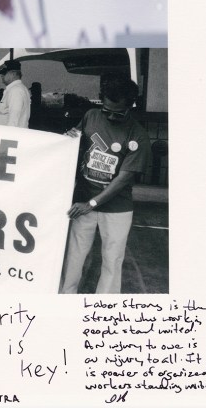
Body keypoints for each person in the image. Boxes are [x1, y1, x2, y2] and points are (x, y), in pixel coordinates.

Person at [60, 74, 151, 294]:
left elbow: (122, 180)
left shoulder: (138, 135)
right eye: (106, 110)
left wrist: (91, 204)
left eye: (117, 113)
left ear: (130, 106)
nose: (110, 116)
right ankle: (64, 299)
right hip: (82, 200)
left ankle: (104, 307)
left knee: (112, 260)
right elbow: (73, 143)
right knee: (74, 256)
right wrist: (67, 138)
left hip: (116, 208)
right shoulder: (91, 116)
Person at [0, 59, 30, 128]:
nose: (2, 76)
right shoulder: (17, 89)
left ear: (13, 74)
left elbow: (13, 122)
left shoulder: (15, 91)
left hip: (9, 136)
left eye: (4, 73)